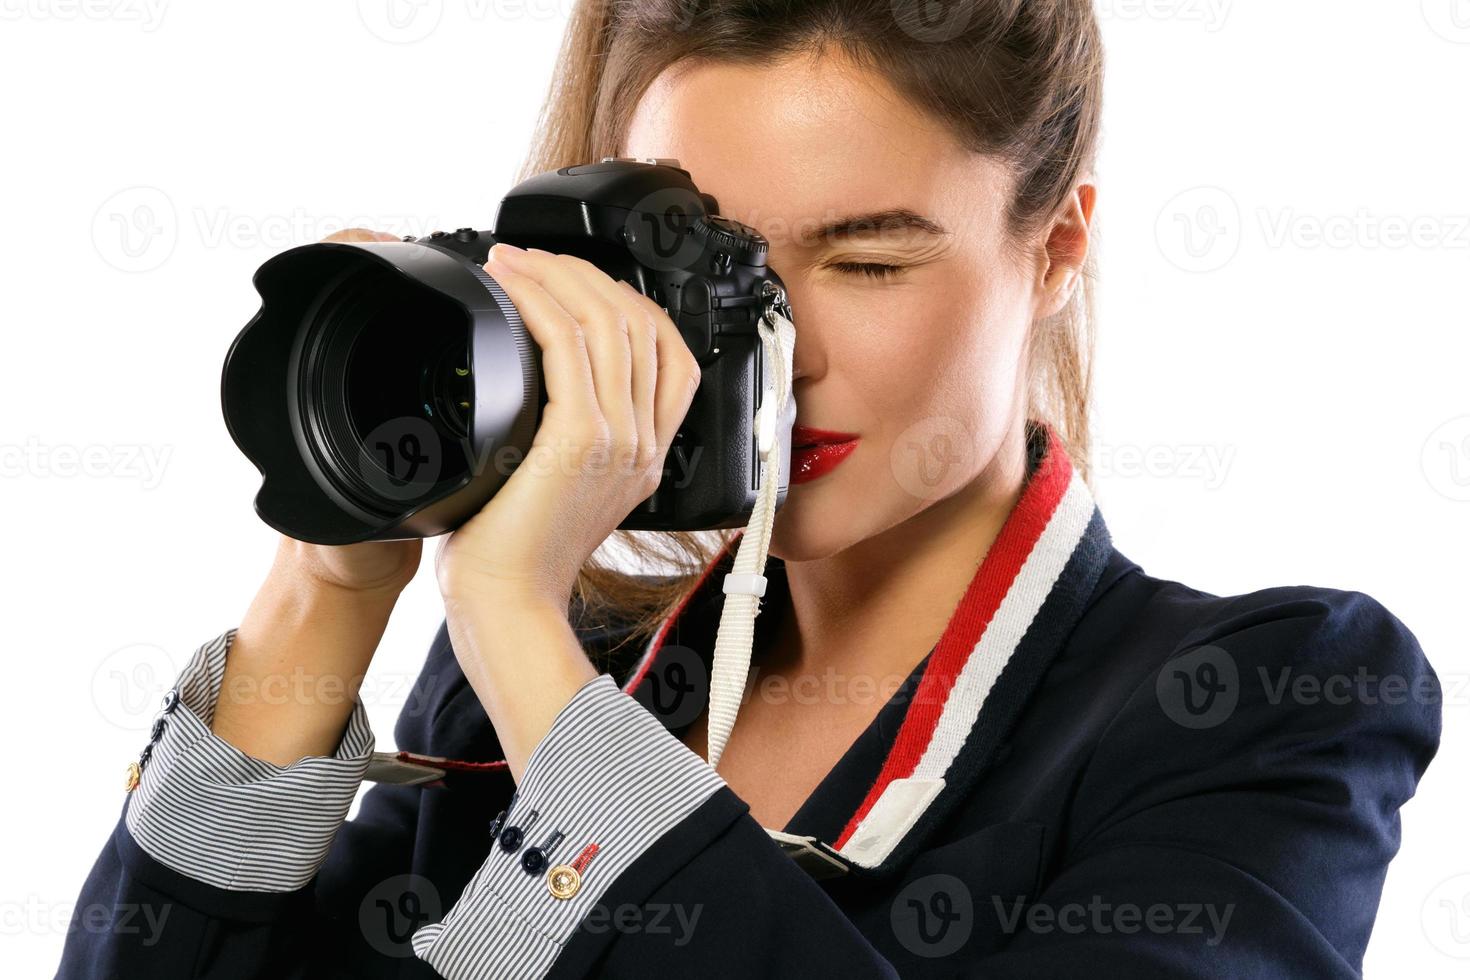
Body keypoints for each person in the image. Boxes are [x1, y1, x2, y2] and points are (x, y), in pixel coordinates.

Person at [58, 1, 1440, 977]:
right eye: (715, 276)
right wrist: (330, 573)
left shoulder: (1256, 704)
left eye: (867, 261)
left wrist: (528, 649)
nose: (780, 358)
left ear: (1056, 244)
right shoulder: (538, 673)